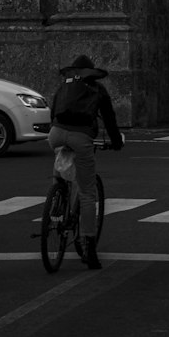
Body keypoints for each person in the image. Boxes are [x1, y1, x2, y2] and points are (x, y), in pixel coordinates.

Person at [48, 54, 123, 270]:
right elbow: (109, 118)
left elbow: (54, 112)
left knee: (60, 170)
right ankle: (89, 247)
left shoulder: (65, 86)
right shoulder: (98, 90)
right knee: (88, 193)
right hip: (81, 137)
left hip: (56, 134)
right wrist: (116, 142)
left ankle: (56, 206)